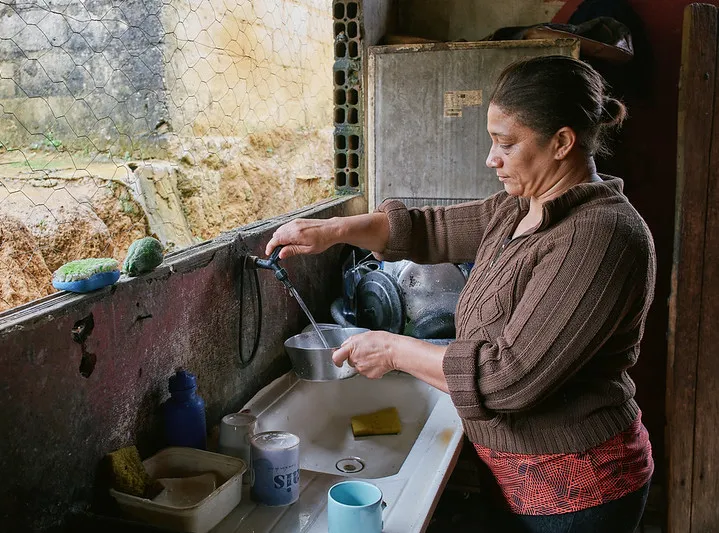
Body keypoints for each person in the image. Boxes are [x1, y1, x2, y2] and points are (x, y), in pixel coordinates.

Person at [265, 56, 655, 533]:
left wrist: (393, 349)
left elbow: (507, 379)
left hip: (577, 491)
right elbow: (430, 230)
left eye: (505, 144)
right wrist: (333, 229)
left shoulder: (599, 235)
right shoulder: (520, 207)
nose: (491, 158)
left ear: (562, 143)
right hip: (516, 477)